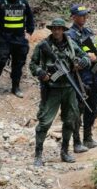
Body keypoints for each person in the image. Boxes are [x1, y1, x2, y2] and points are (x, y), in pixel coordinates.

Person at [29, 18, 90, 167]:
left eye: (59, 28)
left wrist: (83, 62)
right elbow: (32, 64)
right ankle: (38, 155)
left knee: (70, 120)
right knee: (45, 122)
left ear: (63, 30)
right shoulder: (44, 45)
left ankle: (65, 151)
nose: (56, 31)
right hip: (51, 89)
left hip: (69, 88)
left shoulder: (70, 44)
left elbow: (85, 57)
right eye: (54, 28)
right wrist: (41, 72)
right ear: (51, 30)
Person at [67, 4, 97, 151]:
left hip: (93, 75)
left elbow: (95, 52)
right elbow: (72, 57)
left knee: (94, 107)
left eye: (86, 15)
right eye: (81, 15)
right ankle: (77, 142)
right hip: (80, 77)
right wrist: (87, 58)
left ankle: (88, 138)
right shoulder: (70, 35)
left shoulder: (87, 32)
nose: (84, 17)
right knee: (78, 110)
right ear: (73, 17)